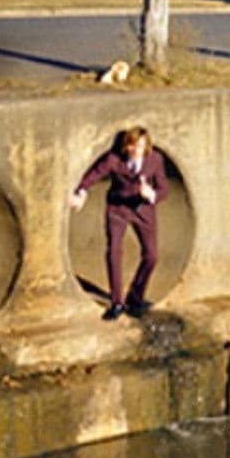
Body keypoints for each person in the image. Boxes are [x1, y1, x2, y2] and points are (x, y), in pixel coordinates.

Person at [69, 126, 169, 320]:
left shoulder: (155, 160)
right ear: (126, 146)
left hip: (143, 210)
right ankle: (117, 302)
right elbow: (93, 175)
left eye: (139, 145)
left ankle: (136, 296)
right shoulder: (114, 160)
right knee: (114, 251)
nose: (135, 149)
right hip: (118, 209)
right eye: (131, 145)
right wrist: (81, 192)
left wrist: (152, 194)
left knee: (152, 255)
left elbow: (163, 188)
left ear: (146, 146)